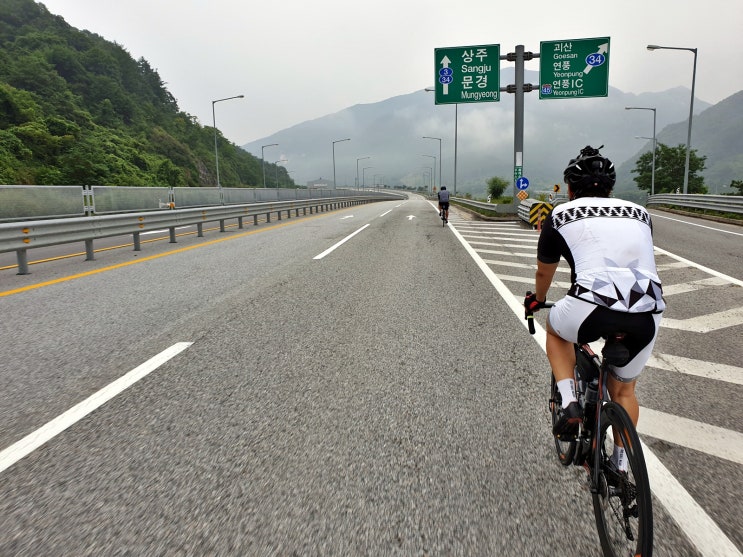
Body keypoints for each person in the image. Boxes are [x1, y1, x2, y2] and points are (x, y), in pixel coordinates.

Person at [524, 145, 664, 474]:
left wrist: (537, 299)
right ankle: (620, 467)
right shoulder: (641, 213)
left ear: (570, 188)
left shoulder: (560, 214)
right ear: (611, 188)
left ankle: (569, 402)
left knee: (556, 331)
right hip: (647, 309)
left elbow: (544, 272)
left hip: (591, 303)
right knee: (624, 391)